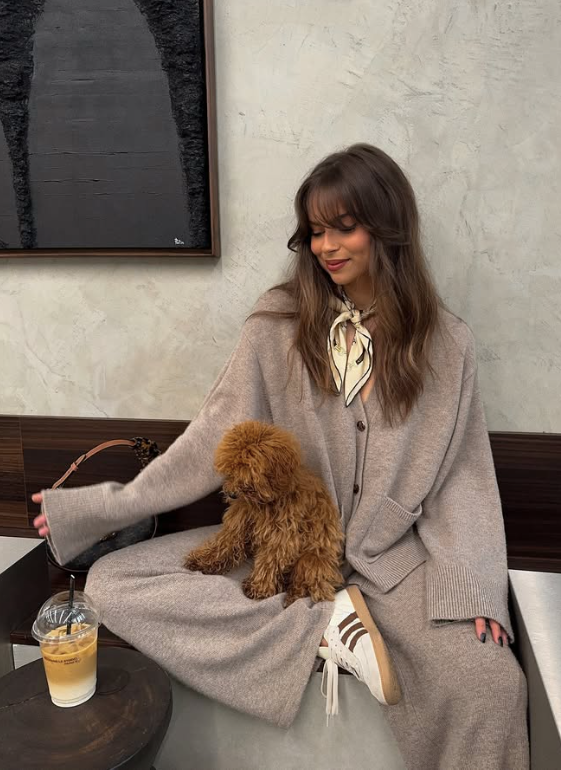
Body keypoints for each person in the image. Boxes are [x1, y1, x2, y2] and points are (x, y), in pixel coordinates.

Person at [33, 143, 529, 769]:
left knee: (493, 685)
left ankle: (340, 623)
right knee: (114, 583)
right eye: (316, 231)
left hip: (398, 562)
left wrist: (475, 586)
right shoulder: (276, 326)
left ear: (388, 226)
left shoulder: (446, 344)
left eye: (344, 227)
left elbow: (461, 477)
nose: (326, 246)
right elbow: (209, 442)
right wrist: (102, 510)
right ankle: (325, 630)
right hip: (284, 546)